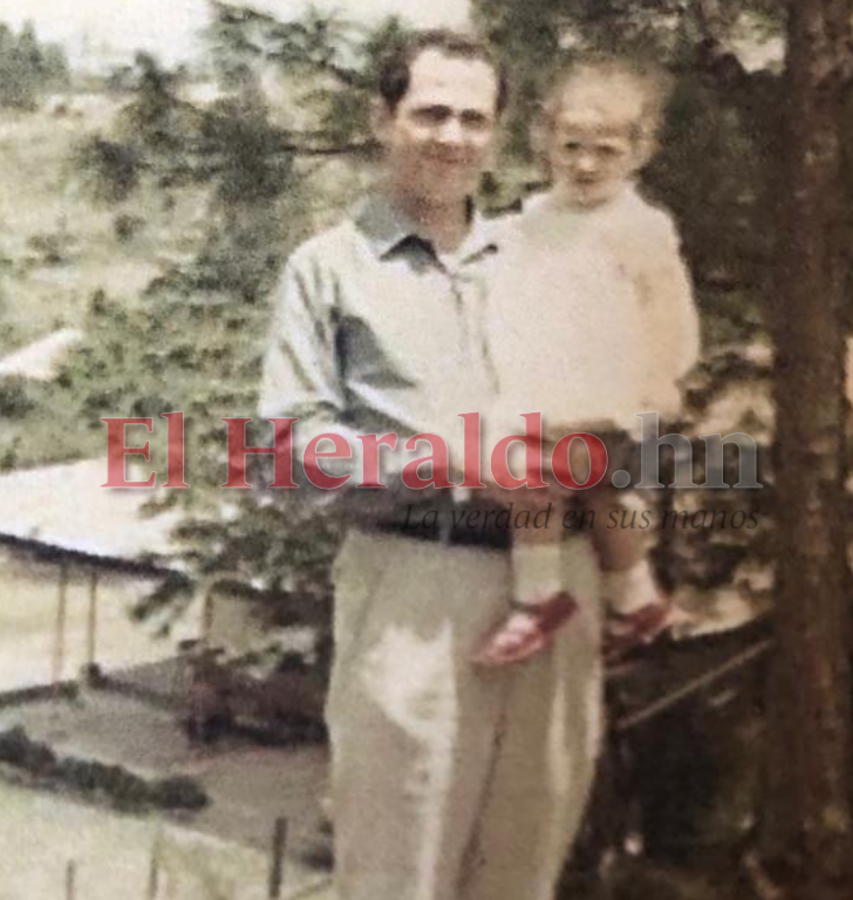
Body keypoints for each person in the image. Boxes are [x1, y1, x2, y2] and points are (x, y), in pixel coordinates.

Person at [258, 30, 610, 900]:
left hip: (557, 580)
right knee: (396, 873)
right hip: (417, 583)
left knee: (524, 871)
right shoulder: (329, 270)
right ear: (383, 119)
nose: (452, 137)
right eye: (430, 113)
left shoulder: (544, 258)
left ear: (498, 132)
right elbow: (292, 450)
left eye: (473, 118)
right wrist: (450, 462)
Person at [474, 56, 701, 667]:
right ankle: (636, 599)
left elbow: (669, 315)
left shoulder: (642, 227)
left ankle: (540, 600)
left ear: (638, 151)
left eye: (605, 150)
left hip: (612, 388)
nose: (585, 164)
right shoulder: (530, 221)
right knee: (572, 486)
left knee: (567, 485)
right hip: (547, 380)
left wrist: (658, 383)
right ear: (543, 140)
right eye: (571, 146)